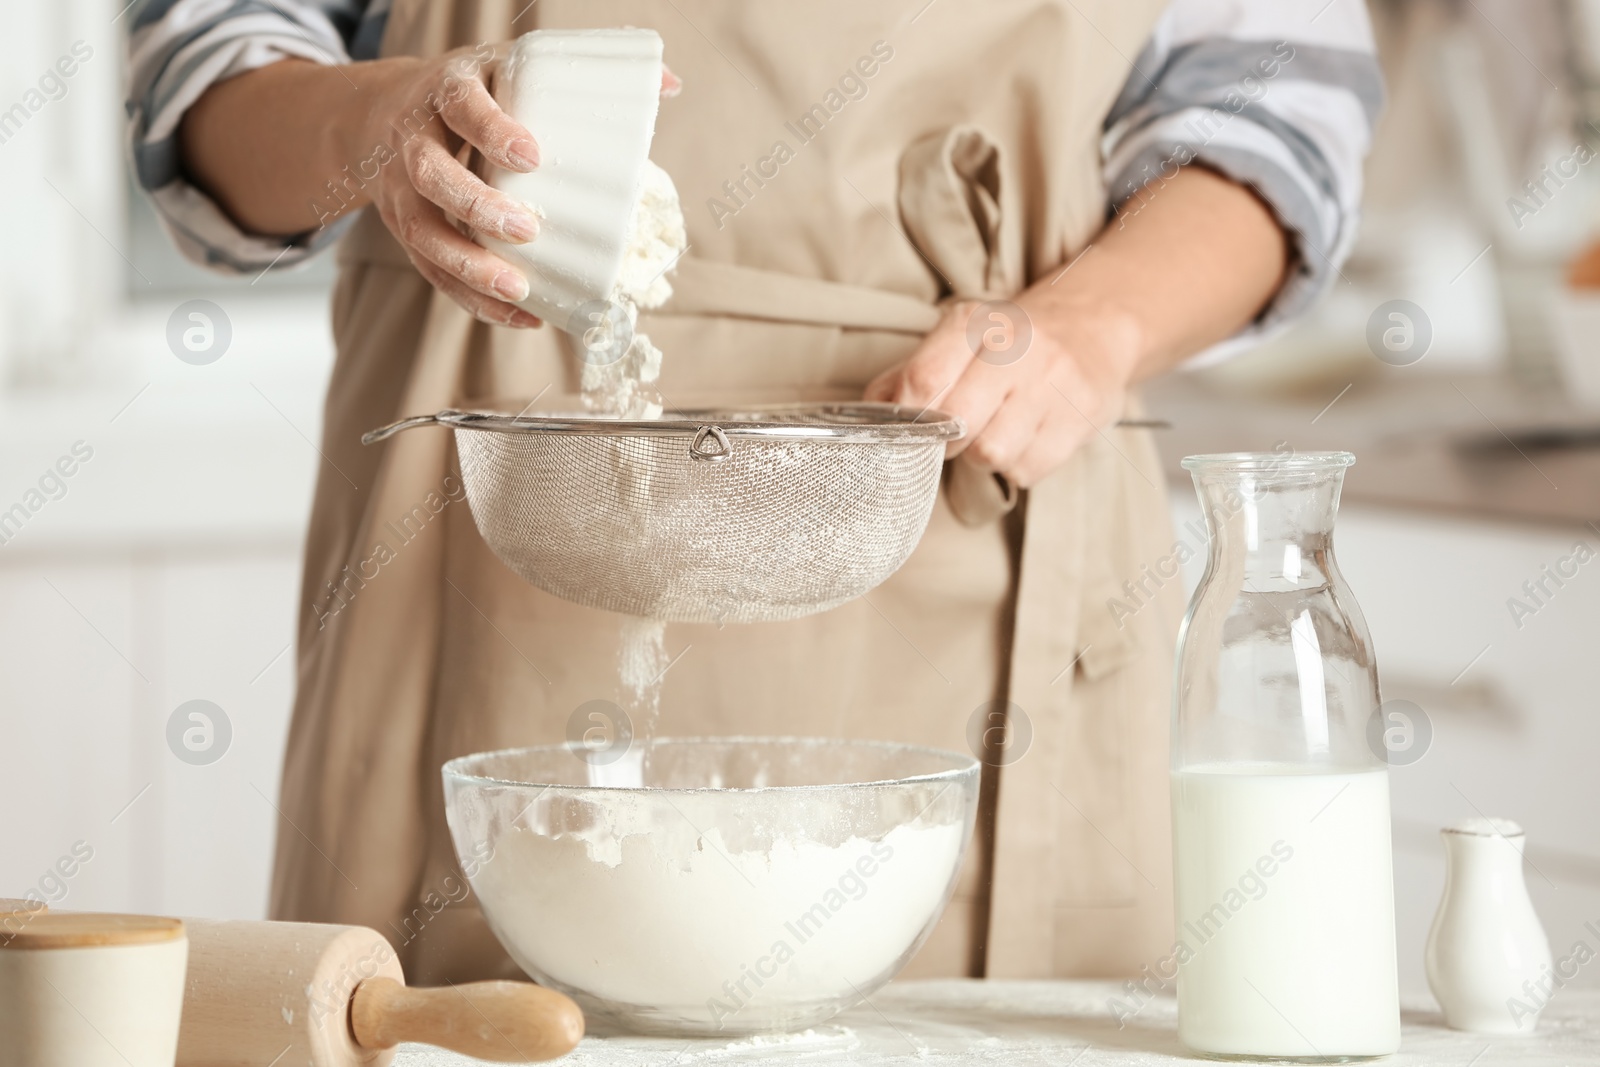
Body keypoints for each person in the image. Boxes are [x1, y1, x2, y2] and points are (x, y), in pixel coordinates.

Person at [127, 0, 1381, 982]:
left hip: (988, 476)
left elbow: (1278, 97)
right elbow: (203, 60)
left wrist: (1095, 327)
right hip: (490, 492)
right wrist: (378, 126)